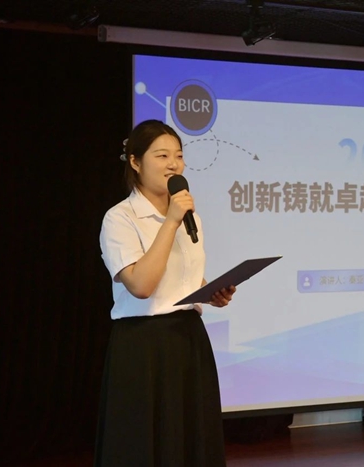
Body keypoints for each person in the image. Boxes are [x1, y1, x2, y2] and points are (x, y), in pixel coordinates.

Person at [95, 119, 235, 466]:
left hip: (188, 339)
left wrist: (210, 292)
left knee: (191, 441)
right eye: (161, 156)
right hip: (143, 345)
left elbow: (185, 280)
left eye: (179, 156)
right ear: (135, 162)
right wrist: (171, 221)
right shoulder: (120, 218)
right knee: (145, 444)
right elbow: (141, 286)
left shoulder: (192, 218)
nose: (174, 164)